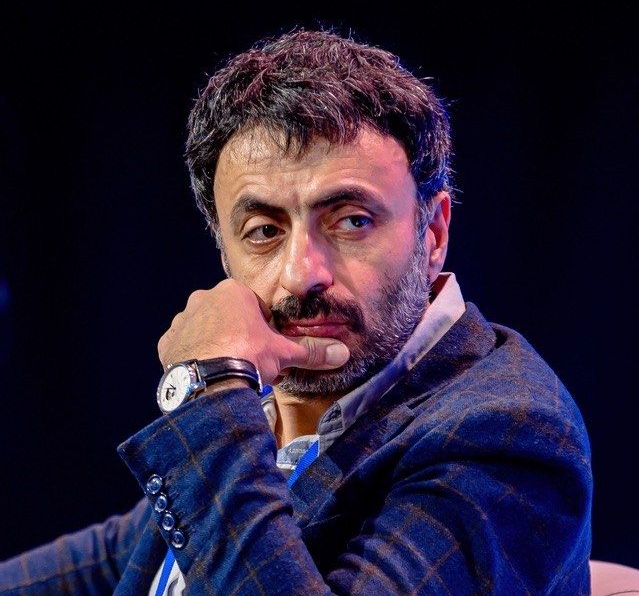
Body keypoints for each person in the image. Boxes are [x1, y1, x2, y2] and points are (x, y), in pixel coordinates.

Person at [0, 29, 592, 595]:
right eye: (264, 230)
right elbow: (124, 556)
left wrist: (208, 389)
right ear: (223, 251)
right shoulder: (270, 405)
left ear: (433, 232)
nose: (302, 273)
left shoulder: (507, 431)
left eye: (352, 221)